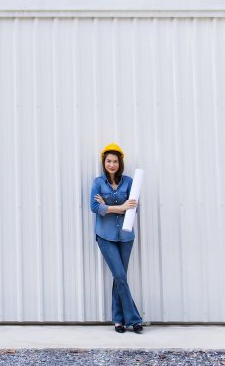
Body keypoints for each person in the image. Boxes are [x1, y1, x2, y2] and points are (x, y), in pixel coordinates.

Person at [89, 143, 144, 333]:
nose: (111, 164)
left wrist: (109, 207)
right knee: (120, 276)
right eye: (108, 161)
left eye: (114, 161)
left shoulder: (129, 182)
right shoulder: (98, 182)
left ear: (120, 163)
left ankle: (118, 320)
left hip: (126, 236)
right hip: (105, 236)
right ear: (104, 163)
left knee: (119, 278)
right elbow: (95, 208)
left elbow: (136, 207)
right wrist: (120, 207)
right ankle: (135, 320)